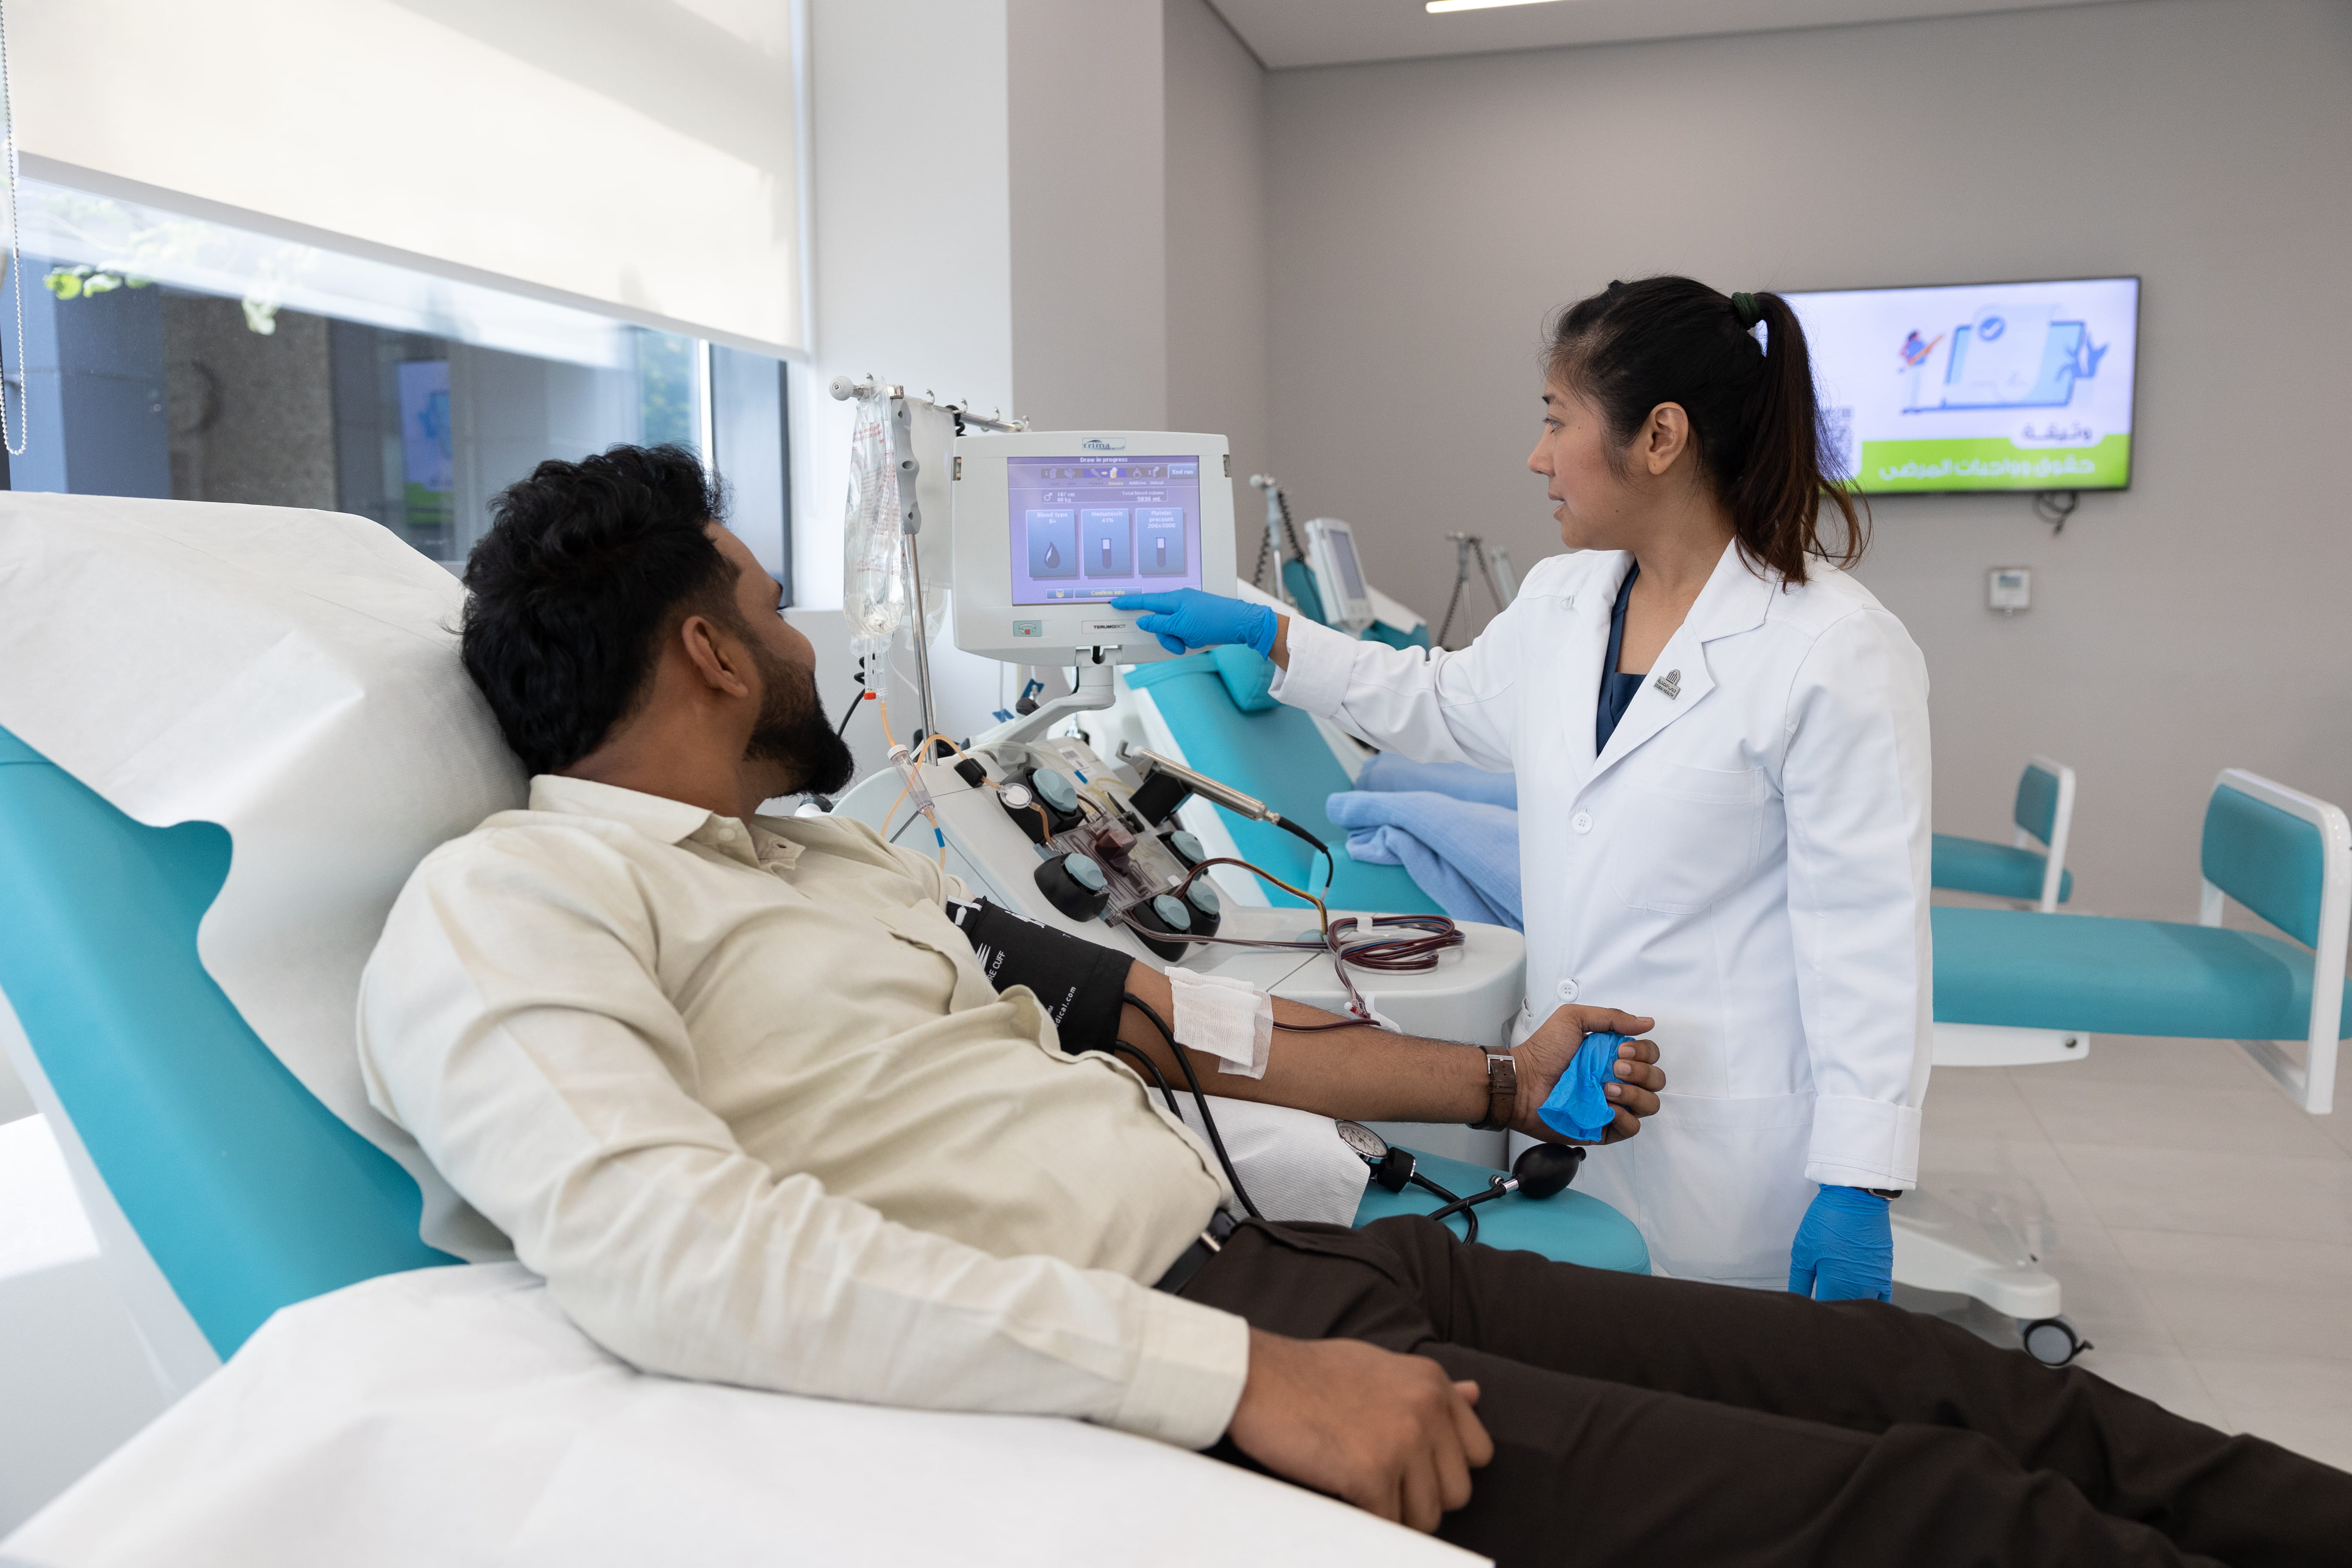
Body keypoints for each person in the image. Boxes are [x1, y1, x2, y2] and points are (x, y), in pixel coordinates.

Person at [358, 444, 2350, 1566]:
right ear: (710, 653)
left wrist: (1495, 1085)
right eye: (773, 605)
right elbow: (678, 1252)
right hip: (1196, 1351)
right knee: (1931, 1519)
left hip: (1310, 1264)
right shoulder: (511, 902)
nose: (804, 635)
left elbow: (1169, 1014)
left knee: (1947, 1385)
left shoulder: (828, 863)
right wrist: (1231, 1380)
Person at [1116, 277, 1928, 1299]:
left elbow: (1868, 935)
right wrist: (1271, 634)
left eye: (1556, 421)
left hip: (1736, 1148)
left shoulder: (1834, 648)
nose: (1537, 458)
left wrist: (1859, 1179)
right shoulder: (1564, 601)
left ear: (1660, 437)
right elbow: (1438, 701)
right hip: (1571, 1104)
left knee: (1725, 1374)